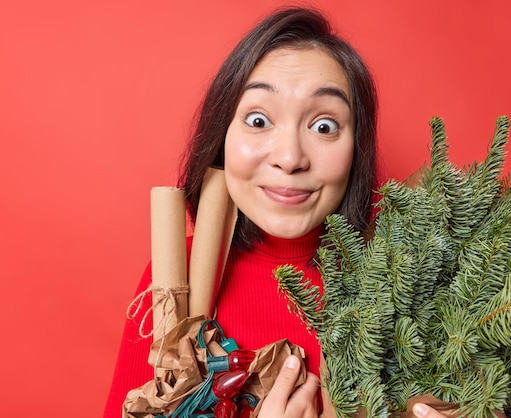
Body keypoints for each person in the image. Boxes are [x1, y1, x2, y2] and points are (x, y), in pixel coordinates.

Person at [104, 7, 449, 418]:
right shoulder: (173, 279)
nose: (289, 158)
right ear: (222, 136)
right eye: (258, 119)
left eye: (324, 126)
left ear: (357, 150)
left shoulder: (413, 279)